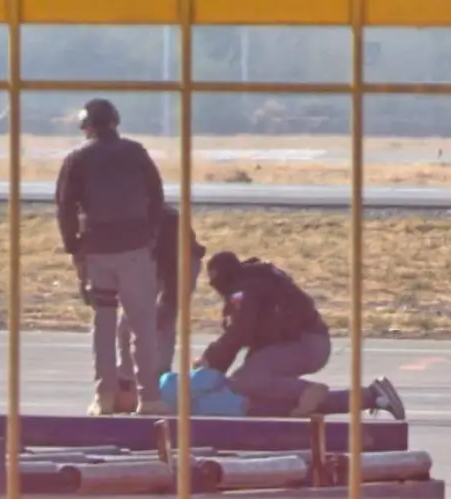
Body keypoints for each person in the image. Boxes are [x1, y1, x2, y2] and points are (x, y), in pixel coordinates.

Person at [56, 97, 171, 417]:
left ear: (87, 127)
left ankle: (104, 397)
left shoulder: (76, 159)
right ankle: (149, 398)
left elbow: (65, 207)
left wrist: (74, 248)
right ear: (115, 123)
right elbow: (157, 197)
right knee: (142, 328)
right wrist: (150, 237)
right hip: (135, 250)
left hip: (97, 251)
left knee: (104, 326)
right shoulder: (136, 153)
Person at [198, 251, 406, 420]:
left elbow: (239, 331)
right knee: (269, 397)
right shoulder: (256, 281)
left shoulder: (244, 289)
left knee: (245, 381)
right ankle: (371, 396)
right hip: (306, 342)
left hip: (302, 344)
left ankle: (306, 391)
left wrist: (210, 363)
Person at [114, 203, 207, 412]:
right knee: (126, 321)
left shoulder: (162, 224)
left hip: (180, 264)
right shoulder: (124, 220)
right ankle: (126, 381)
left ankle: (158, 381)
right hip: (153, 261)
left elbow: (174, 271)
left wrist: (168, 301)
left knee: (163, 320)